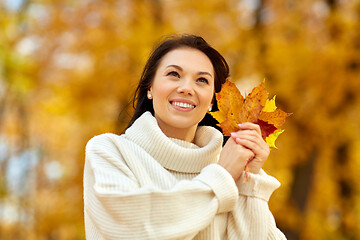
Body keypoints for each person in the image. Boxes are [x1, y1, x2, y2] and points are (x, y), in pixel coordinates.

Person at [83, 34, 287, 240]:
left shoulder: (228, 167)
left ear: (211, 101)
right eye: (174, 74)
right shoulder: (109, 151)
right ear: (150, 88)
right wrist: (221, 178)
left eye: (201, 80)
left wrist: (248, 181)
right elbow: (131, 229)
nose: (187, 88)